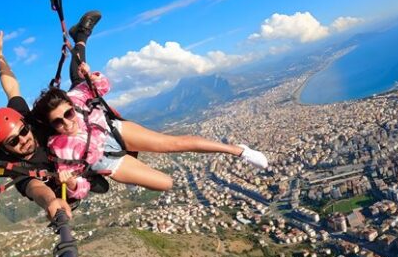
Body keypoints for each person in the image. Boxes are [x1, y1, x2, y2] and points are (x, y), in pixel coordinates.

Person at [31, 11, 269, 200]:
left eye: (68, 114)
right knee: (166, 183)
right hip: (105, 161)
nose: (67, 123)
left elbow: (102, 86)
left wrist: (93, 78)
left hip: (111, 131)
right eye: (58, 122)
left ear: (71, 106)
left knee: (173, 143)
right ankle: (80, 35)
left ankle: (240, 150)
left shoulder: (76, 98)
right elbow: (78, 187)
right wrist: (71, 182)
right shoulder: (59, 148)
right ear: (51, 125)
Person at [0, 11, 105, 219]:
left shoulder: (22, 119)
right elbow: (34, 188)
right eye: (14, 141)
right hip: (74, 179)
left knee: (80, 85)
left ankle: (81, 37)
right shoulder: (16, 166)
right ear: (5, 148)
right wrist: (51, 202)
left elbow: (12, 88)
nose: (24, 139)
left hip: (76, 139)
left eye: (23, 132)